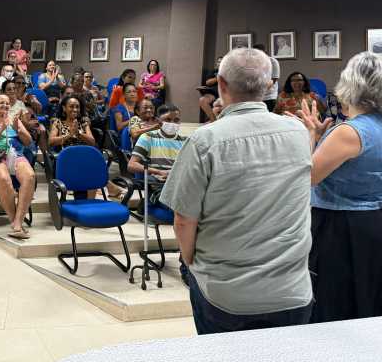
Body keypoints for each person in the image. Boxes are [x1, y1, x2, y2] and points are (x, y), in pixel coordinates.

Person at [160, 48, 313, 334]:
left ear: (221, 84)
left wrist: (191, 263)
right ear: (269, 86)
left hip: (226, 294)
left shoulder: (204, 140)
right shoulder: (299, 132)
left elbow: (183, 220)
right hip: (291, 290)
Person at [291, 52, 382, 323]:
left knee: (335, 310)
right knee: (371, 306)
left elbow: (307, 177)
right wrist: (321, 137)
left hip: (342, 227)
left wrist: (310, 135)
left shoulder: (347, 131)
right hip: (378, 221)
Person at [127, 103, 187, 282]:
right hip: (158, 187)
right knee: (186, 210)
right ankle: (186, 264)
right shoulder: (148, 137)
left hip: (180, 186)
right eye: (168, 119)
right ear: (158, 120)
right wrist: (157, 171)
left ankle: (197, 258)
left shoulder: (185, 141)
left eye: (176, 120)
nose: (172, 123)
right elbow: (132, 165)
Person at [0, 94, 36, 239]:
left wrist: (18, 130)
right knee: (4, 179)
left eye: (7, 103)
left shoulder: (14, 120)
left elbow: (28, 142)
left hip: (14, 154)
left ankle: (18, 223)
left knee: (30, 176)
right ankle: (14, 221)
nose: (5, 105)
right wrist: (2, 128)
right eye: (1, 103)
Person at [253, 44, 280, 112]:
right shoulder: (252, 63)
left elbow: (273, 79)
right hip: (255, 97)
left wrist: (260, 91)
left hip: (270, 96)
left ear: (265, 52)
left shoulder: (273, 61)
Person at [197, 57, 222, 122]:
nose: (220, 63)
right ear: (216, 64)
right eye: (218, 62)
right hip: (213, 93)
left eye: (221, 61)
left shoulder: (228, 72)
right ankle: (213, 121)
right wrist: (218, 78)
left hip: (224, 94)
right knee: (202, 100)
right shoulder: (213, 72)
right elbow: (208, 82)